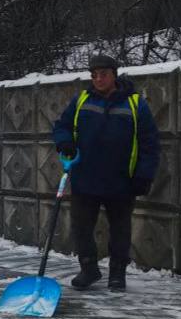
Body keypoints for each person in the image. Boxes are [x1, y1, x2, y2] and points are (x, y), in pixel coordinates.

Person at [51, 55, 160, 291]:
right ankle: (88, 269)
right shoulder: (82, 100)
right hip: (85, 177)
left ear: (114, 75)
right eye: (94, 75)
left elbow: (149, 142)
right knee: (81, 226)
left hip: (122, 179)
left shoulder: (134, 103)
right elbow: (62, 126)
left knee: (120, 229)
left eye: (103, 74)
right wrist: (65, 142)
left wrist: (144, 174)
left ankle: (117, 273)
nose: (98, 79)